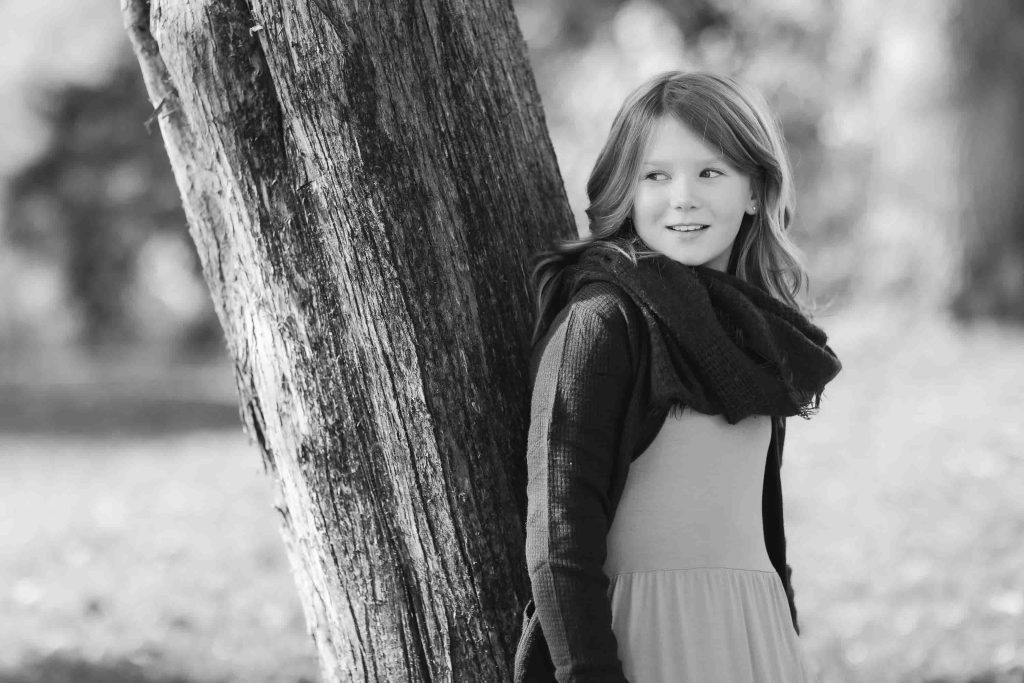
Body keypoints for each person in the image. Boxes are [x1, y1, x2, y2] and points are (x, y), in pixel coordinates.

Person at [513, 71, 843, 683]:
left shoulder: (754, 339)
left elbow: (762, 522)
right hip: (646, 641)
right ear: (626, 191)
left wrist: (785, 638)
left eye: (710, 172)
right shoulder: (603, 324)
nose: (683, 197)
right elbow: (558, 541)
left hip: (754, 635)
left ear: (753, 190)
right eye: (656, 175)